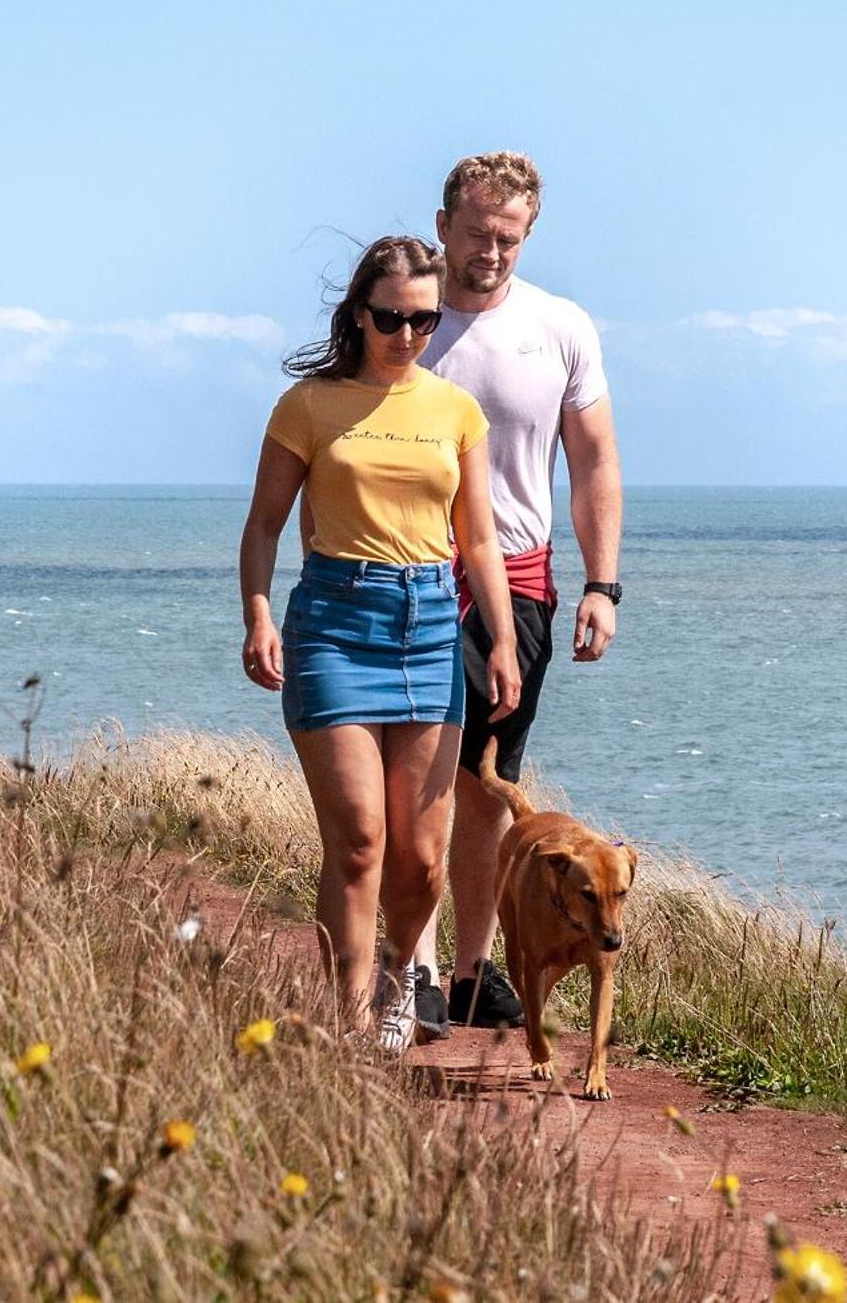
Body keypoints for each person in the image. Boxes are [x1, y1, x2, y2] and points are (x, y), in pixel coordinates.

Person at [239, 235, 521, 1051]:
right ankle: (351, 1020)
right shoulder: (309, 406)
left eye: (424, 320)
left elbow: (478, 543)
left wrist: (499, 641)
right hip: (333, 622)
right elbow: (262, 526)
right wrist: (259, 615)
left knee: (422, 858)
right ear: (359, 313)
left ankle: (406, 975)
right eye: (391, 318)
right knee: (360, 837)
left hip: (431, 628)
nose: (406, 335)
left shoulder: (454, 410)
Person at [409, 151, 623, 1037]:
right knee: (415, 785)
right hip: (413, 575)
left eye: (508, 236)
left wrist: (601, 584)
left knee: (486, 786)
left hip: (522, 585)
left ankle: (468, 971)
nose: (490, 251)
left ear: (527, 233)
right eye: (475, 232)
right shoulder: (406, 317)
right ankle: (411, 970)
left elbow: (595, 462)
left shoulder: (561, 326)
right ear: (443, 225)